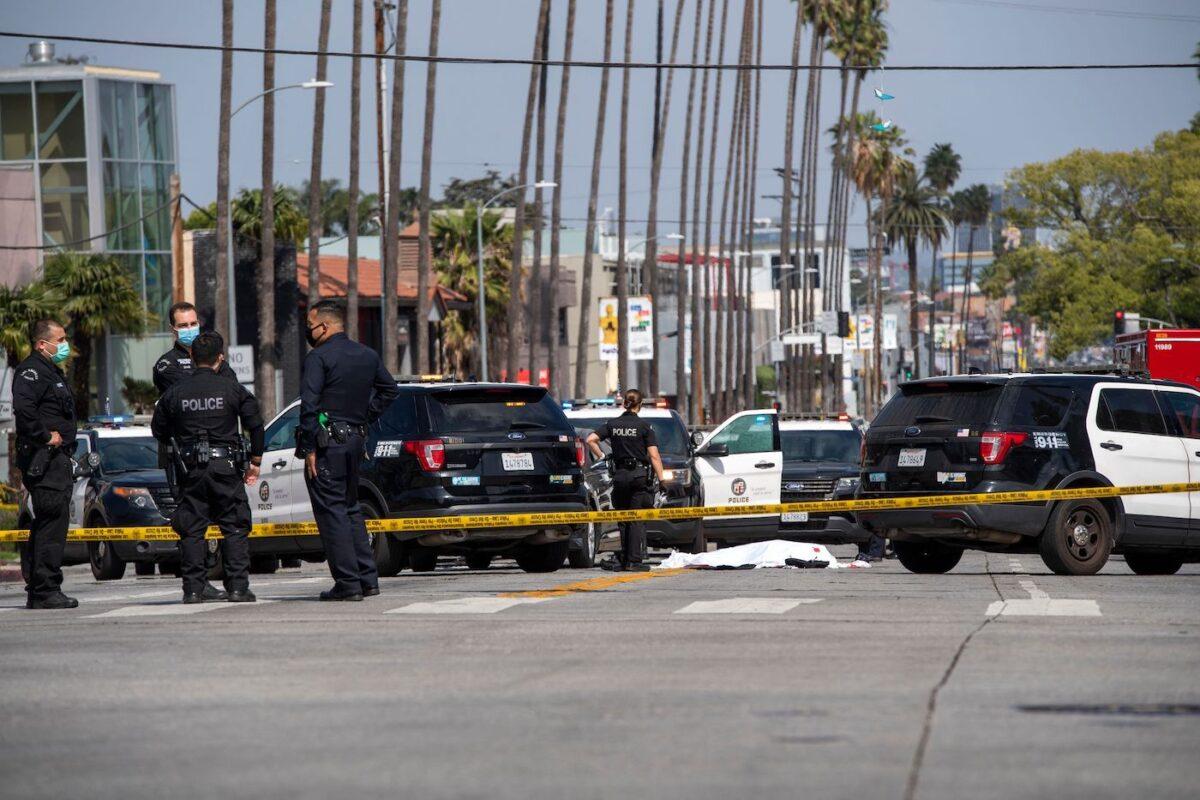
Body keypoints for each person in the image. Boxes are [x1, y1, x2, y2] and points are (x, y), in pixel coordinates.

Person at [151, 333, 265, 603]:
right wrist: (256, 462)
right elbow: (256, 424)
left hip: (191, 469)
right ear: (220, 358)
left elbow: (159, 429)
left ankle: (193, 589)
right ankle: (237, 588)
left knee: (192, 529)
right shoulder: (232, 388)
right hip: (226, 467)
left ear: (191, 357)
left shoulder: (176, 392)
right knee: (235, 526)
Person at [298, 299, 399, 601]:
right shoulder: (366, 354)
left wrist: (308, 448)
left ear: (324, 326)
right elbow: (390, 390)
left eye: (309, 326)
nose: (308, 331)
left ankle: (347, 583)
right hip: (356, 440)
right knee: (351, 508)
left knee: (332, 513)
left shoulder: (319, 357)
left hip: (328, 444)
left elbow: (309, 406)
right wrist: (364, 418)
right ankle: (368, 580)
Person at [13, 319, 78, 609]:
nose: (64, 345)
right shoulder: (32, 371)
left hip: (56, 461)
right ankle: (45, 590)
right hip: (45, 460)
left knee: (52, 522)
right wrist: (44, 437)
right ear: (43, 344)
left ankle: (41, 588)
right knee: (51, 523)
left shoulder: (51, 371)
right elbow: (24, 410)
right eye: (60, 340)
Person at [586, 389, 665, 573]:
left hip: (620, 476)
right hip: (638, 476)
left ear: (624, 404)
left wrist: (603, 456)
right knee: (636, 518)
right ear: (640, 405)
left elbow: (591, 439)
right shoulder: (645, 427)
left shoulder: (612, 424)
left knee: (623, 518)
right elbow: (654, 456)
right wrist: (662, 480)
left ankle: (625, 558)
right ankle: (634, 561)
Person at [152, 302, 238, 393]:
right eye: (183, 325)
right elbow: (191, 392)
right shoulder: (167, 363)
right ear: (172, 329)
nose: (189, 329)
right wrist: (212, 371)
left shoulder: (212, 356)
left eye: (193, 324)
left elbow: (233, 388)